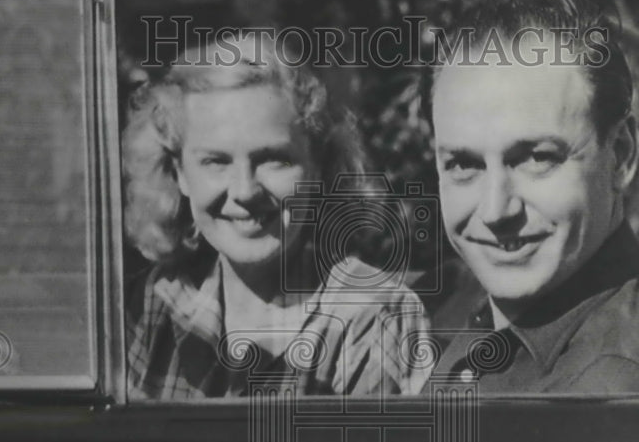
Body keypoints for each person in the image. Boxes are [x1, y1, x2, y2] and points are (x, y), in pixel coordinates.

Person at [426, 0, 639, 393]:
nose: (495, 210)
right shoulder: (494, 309)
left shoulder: (607, 393)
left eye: (536, 158)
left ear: (620, 155)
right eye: (463, 164)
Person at [123, 38, 429, 399]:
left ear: (318, 167)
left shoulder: (372, 314)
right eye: (215, 161)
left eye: (273, 160)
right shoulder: (157, 301)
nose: (245, 191)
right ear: (179, 174)